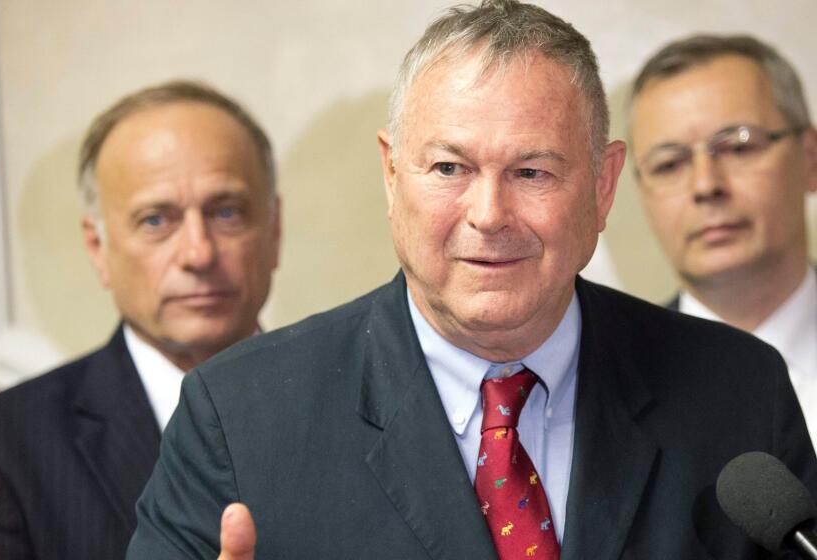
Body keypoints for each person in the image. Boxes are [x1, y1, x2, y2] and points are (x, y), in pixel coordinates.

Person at [128, 3, 816, 559]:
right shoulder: (240, 415)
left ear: (603, 187)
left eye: (532, 172)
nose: (489, 216)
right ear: (392, 175)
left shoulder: (739, 393)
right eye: (449, 169)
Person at [0, 80, 281, 560]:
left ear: (274, 230)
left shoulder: (360, 403)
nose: (198, 253)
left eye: (226, 212)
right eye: (156, 220)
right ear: (98, 248)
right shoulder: (0, 447)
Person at [629, 35, 817, 447]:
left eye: (737, 146)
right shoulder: (604, 394)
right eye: (669, 163)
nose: (705, 185)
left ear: (810, 157)